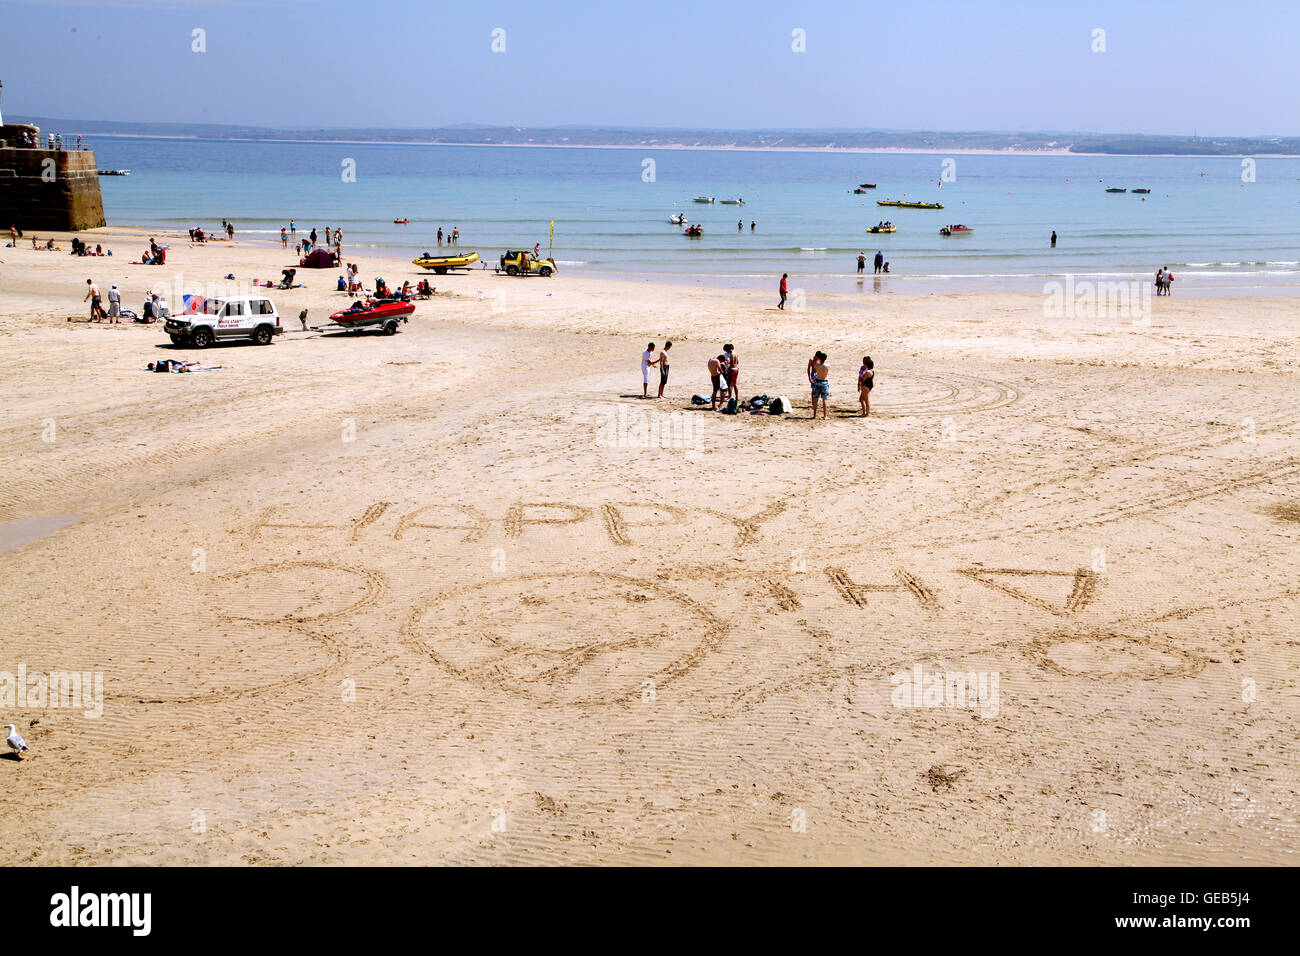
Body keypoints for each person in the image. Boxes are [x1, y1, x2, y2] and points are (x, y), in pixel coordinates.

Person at [808, 351, 829, 419]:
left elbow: (814, 366)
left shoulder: (817, 365)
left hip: (817, 382)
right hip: (824, 382)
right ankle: (825, 416)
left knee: (815, 399)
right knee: (824, 400)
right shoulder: (827, 366)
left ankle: (814, 415)